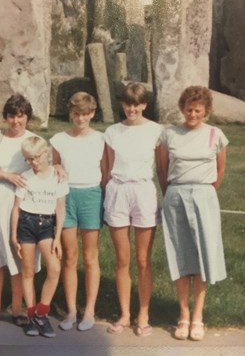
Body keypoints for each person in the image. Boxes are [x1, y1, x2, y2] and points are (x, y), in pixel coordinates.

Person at [156, 85, 228, 341]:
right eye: (189, 109)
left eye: (198, 110)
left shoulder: (215, 135)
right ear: (182, 108)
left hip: (204, 197)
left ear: (206, 111)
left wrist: (203, 193)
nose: (193, 114)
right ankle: (183, 315)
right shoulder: (169, 134)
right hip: (176, 195)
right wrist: (173, 193)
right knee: (181, 255)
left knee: (202, 256)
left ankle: (198, 316)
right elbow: (162, 169)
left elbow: (219, 171)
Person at [104, 82, 163, 336]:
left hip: (143, 192)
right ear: (123, 104)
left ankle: (143, 314)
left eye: (137, 104)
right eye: (128, 104)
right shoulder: (112, 131)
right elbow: (105, 169)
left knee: (142, 260)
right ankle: (125, 314)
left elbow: (161, 169)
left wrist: (168, 195)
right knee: (122, 260)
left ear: (145, 105)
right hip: (118, 191)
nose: (132, 109)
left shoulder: (157, 131)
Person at [0, 93, 40, 327]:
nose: (16, 121)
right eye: (12, 116)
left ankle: (17, 308)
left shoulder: (34, 139)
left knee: (18, 256)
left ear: (27, 117)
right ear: (6, 118)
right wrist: (7, 175)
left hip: (22, 203)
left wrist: (58, 169)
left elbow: (44, 169)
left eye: (21, 116)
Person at [50, 92, 107, 331]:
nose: (81, 119)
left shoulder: (101, 139)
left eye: (85, 114)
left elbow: (106, 171)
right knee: (70, 257)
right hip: (66, 197)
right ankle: (72, 310)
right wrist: (57, 165)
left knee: (90, 257)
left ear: (92, 113)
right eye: (76, 114)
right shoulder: (58, 139)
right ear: (70, 113)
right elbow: (54, 166)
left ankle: (90, 311)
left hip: (92, 195)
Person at [11, 136, 68, 337]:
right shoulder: (25, 177)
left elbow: (60, 209)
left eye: (36, 157)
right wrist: (13, 236)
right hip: (26, 224)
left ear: (46, 153)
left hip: (46, 225)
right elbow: (16, 209)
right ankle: (31, 315)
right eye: (29, 159)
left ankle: (42, 313)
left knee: (54, 268)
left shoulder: (57, 176)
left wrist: (58, 237)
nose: (33, 163)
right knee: (27, 271)